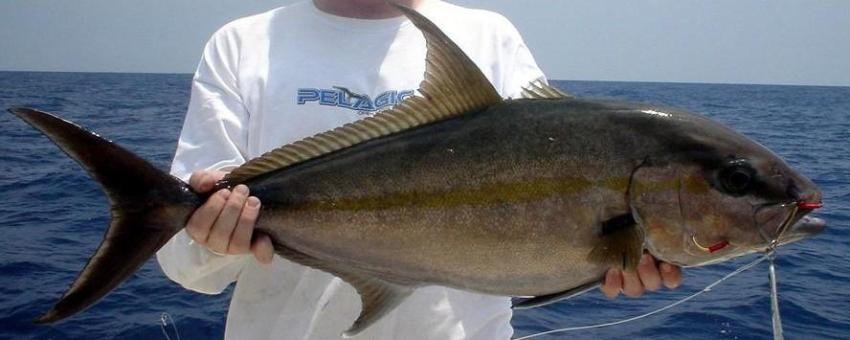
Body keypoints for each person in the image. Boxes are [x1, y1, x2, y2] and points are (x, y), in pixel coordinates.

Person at [156, 0, 683, 339]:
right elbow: (184, 266)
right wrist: (212, 238)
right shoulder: (242, 46)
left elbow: (554, 206)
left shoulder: (490, 39)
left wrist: (618, 255)